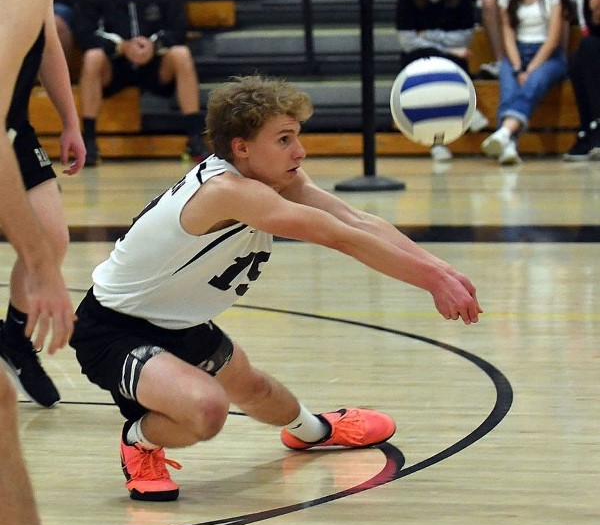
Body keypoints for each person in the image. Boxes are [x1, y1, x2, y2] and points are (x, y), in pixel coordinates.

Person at [69, 74, 483, 502]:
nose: (299, 152)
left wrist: (441, 270)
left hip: (178, 322)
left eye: (297, 137)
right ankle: (139, 441)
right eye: (284, 139)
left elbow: (356, 221)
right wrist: (431, 281)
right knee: (208, 410)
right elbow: (341, 238)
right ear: (241, 148)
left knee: (256, 389)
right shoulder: (228, 192)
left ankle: (314, 432)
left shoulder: (276, 180)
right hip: (112, 329)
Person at [0, 0, 77, 525]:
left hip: (16, 122)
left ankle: (12, 333)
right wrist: (42, 267)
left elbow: (47, 45)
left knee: (53, 232)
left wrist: (70, 120)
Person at [75, 0, 208, 166]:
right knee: (92, 57)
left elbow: (179, 30)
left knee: (181, 54)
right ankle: (89, 141)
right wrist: (121, 47)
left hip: (154, 65)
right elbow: (83, 34)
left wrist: (154, 46)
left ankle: (194, 139)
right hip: (115, 66)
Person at [395, 0, 489, 162]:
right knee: (427, 56)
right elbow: (408, 41)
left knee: (444, 59)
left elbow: (463, 38)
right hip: (417, 62)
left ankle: (467, 109)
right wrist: (446, 46)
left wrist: (427, 34)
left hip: (453, 63)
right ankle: (437, 142)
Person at [481, 0, 572, 164]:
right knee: (509, 85)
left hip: (548, 55)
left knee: (535, 81)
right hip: (517, 53)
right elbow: (508, 35)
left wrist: (529, 69)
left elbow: (553, 40)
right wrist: (517, 66)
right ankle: (509, 145)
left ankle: (504, 133)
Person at [563, 0, 600, 160]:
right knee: (577, 58)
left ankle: (594, 126)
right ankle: (588, 128)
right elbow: (592, 31)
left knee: (587, 49)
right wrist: (596, 17)